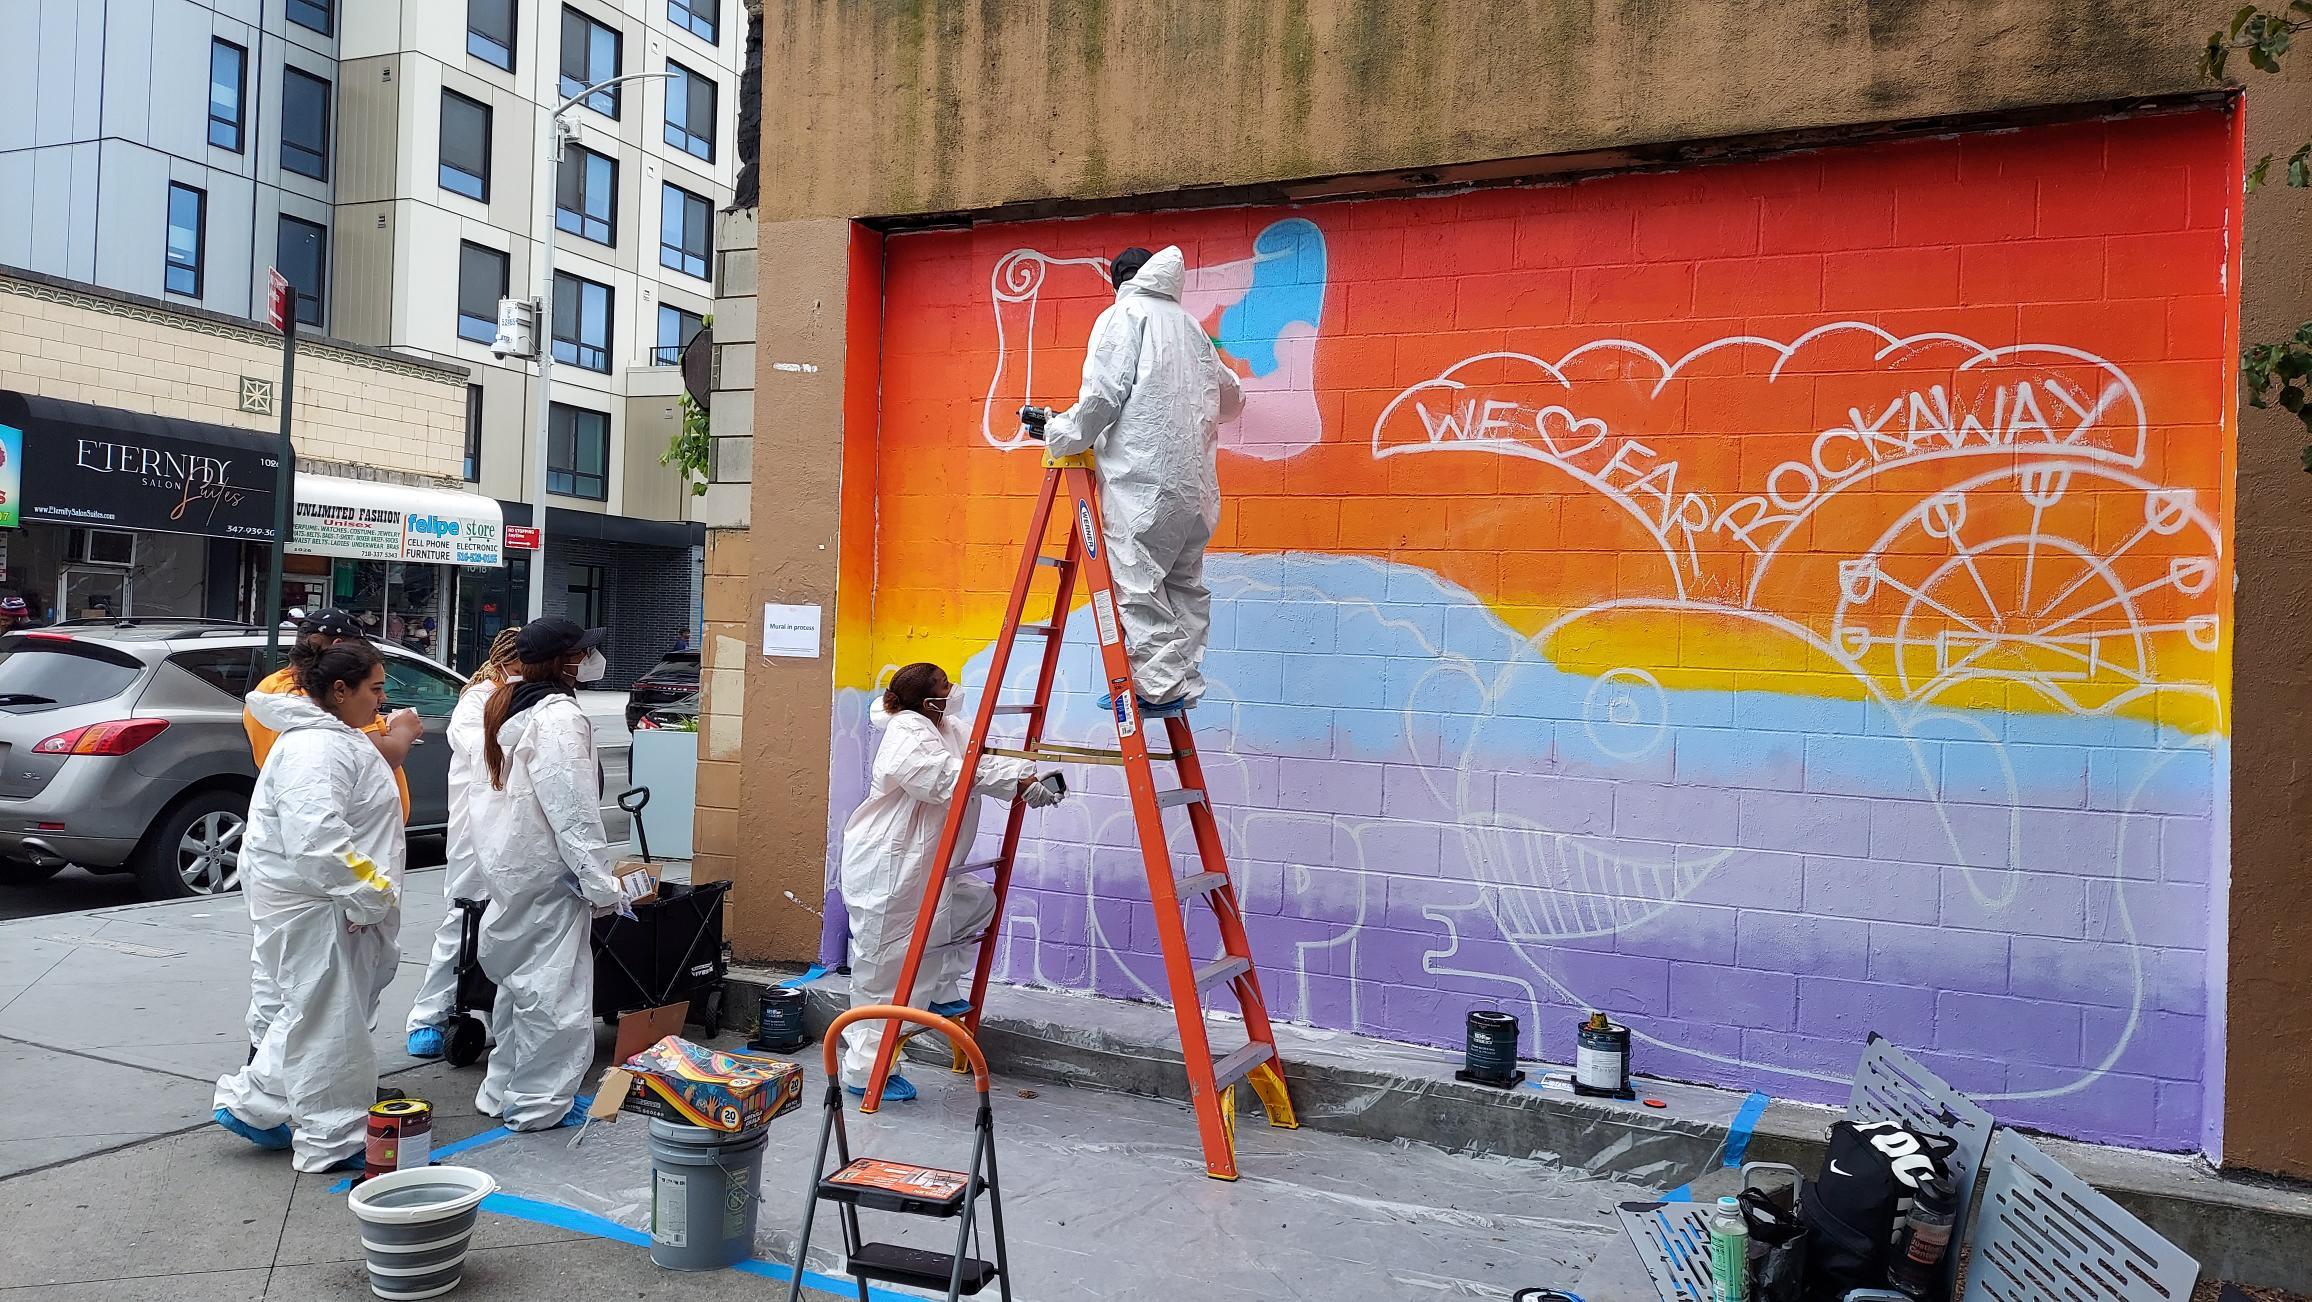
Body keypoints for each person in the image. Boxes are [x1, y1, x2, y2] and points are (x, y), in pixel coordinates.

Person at [213, 638, 405, 1172]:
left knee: (313, 1012)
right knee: (330, 1024)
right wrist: (371, 894)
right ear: (340, 690)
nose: (381, 700)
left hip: (323, 901)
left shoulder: (327, 739)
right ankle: (333, 1137)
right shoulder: (317, 749)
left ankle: (256, 1104)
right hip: (323, 905)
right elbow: (316, 840)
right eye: (375, 688)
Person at [837, 663, 1064, 1101]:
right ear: (927, 702)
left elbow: (979, 761)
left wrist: (1029, 773)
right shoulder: (905, 732)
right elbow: (942, 778)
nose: (954, 691)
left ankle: (939, 989)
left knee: (974, 904)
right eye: (945, 687)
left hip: (924, 863)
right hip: (888, 864)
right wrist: (1017, 782)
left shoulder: (947, 725)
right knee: (882, 971)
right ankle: (865, 1071)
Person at [1041, 244, 1244, 714]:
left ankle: (1154, 686)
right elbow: (1232, 397)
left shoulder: (1122, 316)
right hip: (1194, 488)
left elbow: (1102, 397)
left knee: (1137, 582)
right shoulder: (1192, 329)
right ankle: (1182, 681)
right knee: (1185, 584)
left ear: (1119, 282)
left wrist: (1059, 433)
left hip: (1141, 481)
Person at [472, 616, 620, 1130]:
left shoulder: (511, 708)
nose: (591, 659)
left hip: (513, 870)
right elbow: (573, 810)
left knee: (519, 987)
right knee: (555, 992)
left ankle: (504, 1090)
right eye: (582, 651)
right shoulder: (558, 719)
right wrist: (600, 882)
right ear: (567, 661)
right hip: (550, 874)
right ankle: (538, 1104)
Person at [404, 626, 522, 1058]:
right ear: (512, 662)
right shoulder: (478, 700)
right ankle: (428, 1016)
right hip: (477, 833)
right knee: (463, 922)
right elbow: (488, 750)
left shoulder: (528, 695)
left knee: (509, 928)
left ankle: (494, 1011)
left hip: (513, 833)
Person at [246, 608, 418, 820]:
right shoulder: (322, 695)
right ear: (338, 647)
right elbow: (379, 755)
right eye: (375, 689)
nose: (382, 698)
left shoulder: (270, 687)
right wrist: (404, 729)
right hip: (350, 827)